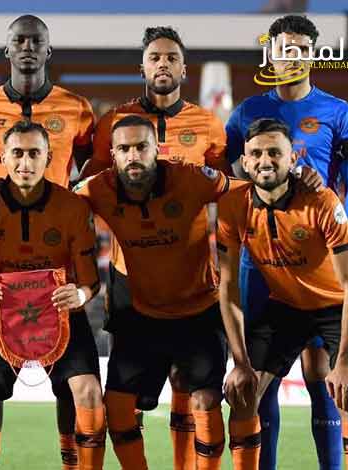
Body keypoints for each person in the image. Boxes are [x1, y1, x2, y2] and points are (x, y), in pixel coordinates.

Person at [79, 26, 229, 470]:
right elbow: (88, 188)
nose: (162, 64)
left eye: (171, 58)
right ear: (141, 67)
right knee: (128, 396)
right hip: (131, 279)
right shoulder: (114, 122)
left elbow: (227, 193)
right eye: (154, 58)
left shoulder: (207, 124)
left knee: (190, 385)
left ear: (184, 68)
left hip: (192, 277)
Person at [226, 15, 348, 470]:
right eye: (283, 48)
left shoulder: (338, 112)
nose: (291, 56)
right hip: (260, 263)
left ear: (313, 55)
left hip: (320, 253)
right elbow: (230, 179)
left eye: (300, 49)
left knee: (321, 376)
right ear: (269, 53)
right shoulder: (245, 113)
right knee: (257, 382)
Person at [76, 115, 259, 470]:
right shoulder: (98, 188)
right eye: (124, 149)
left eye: (141, 147)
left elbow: (244, 190)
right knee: (117, 405)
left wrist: (296, 182)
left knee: (205, 402)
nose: (133, 156)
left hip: (198, 311)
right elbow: (58, 202)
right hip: (142, 314)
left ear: (156, 149)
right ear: (113, 155)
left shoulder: (191, 178)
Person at [0, 15, 96, 468]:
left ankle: (73, 459)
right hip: (3, 277)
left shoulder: (76, 107)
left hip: (57, 266)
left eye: (35, 41)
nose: (27, 48)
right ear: (7, 49)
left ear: (47, 50)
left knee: (81, 388)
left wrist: (73, 197)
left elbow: (96, 164)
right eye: (18, 40)